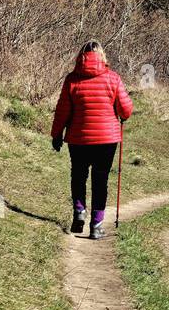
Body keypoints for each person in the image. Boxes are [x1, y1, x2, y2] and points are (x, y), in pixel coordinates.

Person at [50, 41, 133, 239]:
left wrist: (56, 134)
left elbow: (63, 110)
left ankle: (79, 211)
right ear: (102, 56)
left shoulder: (72, 80)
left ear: (81, 57)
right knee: (100, 180)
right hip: (106, 139)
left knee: (78, 175)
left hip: (78, 138)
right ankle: (96, 225)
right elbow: (126, 111)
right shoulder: (113, 79)